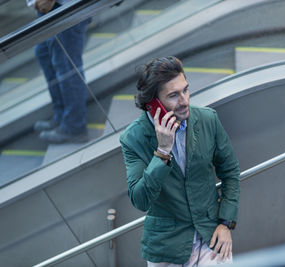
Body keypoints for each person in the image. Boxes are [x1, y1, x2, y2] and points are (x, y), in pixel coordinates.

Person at [120, 56, 240, 266]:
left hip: (210, 235)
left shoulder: (207, 120)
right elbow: (140, 200)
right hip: (167, 247)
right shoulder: (134, 138)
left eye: (185, 90)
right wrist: (162, 151)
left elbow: (230, 172)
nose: (184, 101)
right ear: (153, 104)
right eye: (174, 95)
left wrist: (225, 223)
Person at [27, 0, 91, 143]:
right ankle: (62, 116)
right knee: (44, 55)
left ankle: (75, 127)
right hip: (46, 10)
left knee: (66, 67)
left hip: (65, 8)